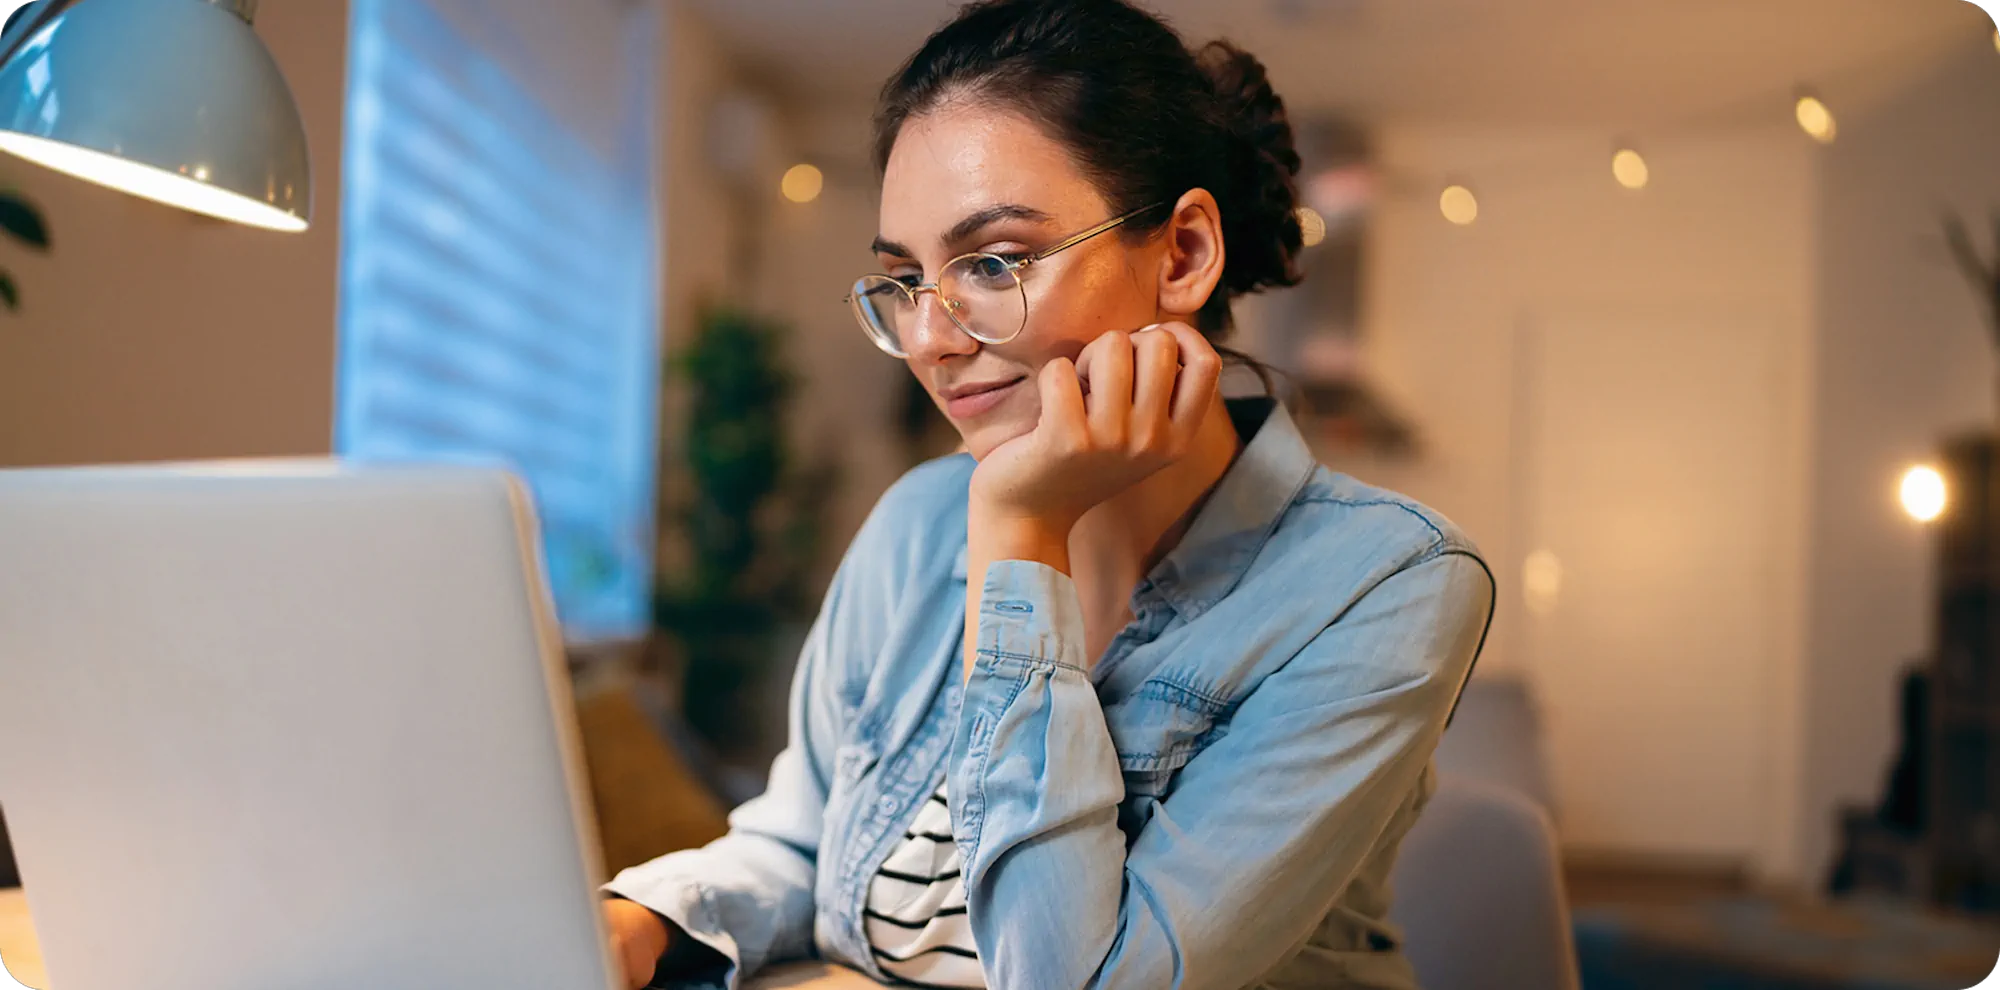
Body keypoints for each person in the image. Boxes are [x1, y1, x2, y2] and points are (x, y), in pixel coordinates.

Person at [601, 1, 1494, 987]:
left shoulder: (1383, 584)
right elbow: (804, 842)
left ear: (1183, 253)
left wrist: (1023, 534)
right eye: (906, 278)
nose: (931, 337)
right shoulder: (915, 524)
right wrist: (640, 917)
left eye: (991, 262)